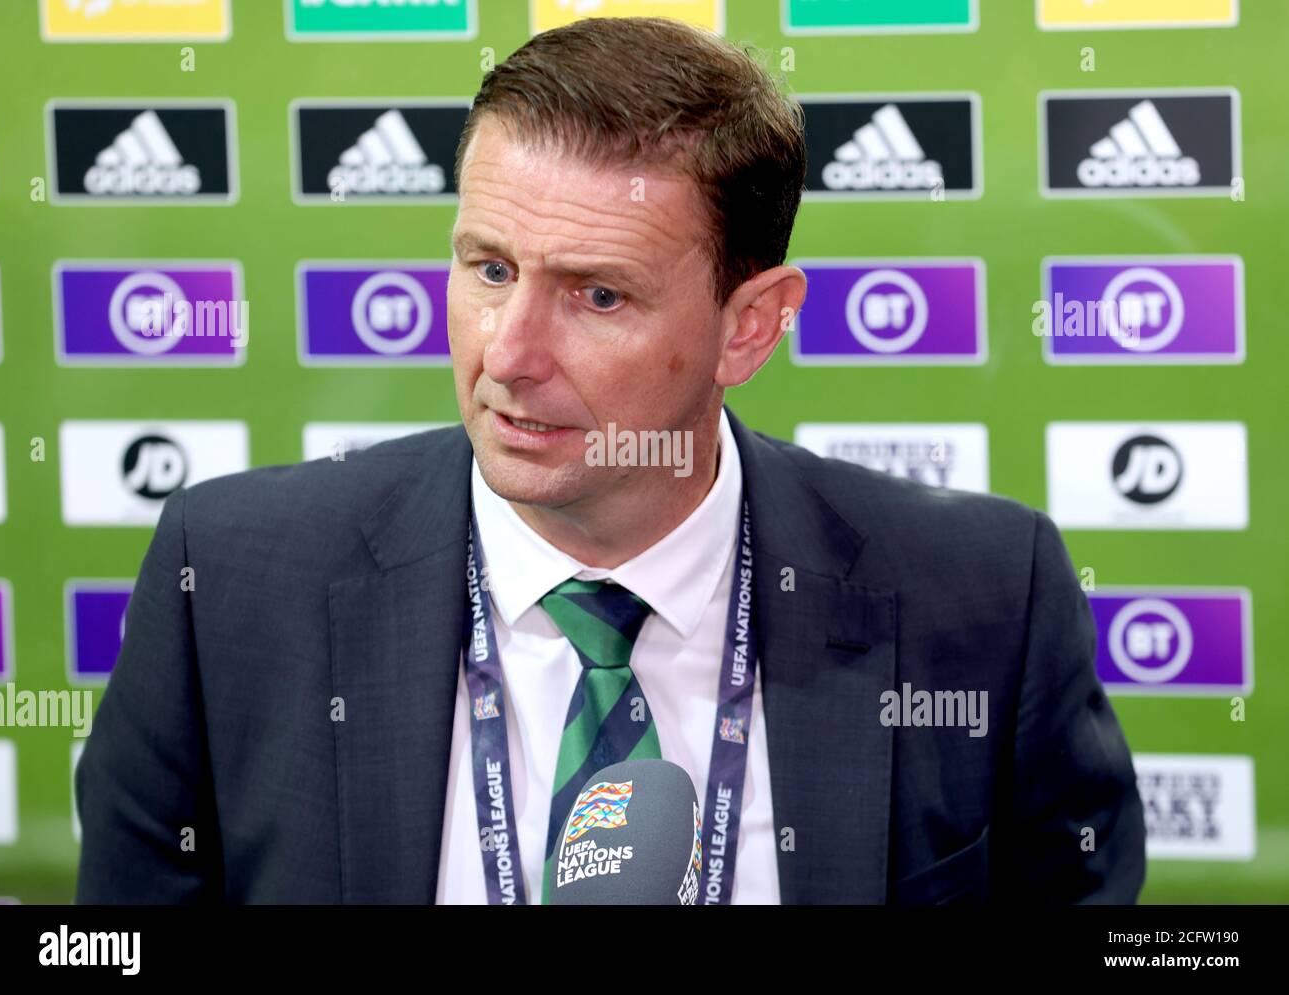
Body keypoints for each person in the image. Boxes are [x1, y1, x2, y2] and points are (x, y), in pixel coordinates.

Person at [75, 16, 1144, 904]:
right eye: (488, 269)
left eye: (597, 295)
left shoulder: (982, 597)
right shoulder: (226, 582)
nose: (509, 353)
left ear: (750, 326)